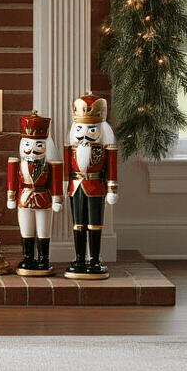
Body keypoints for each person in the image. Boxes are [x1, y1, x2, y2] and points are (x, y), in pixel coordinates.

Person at [63, 92, 118, 279]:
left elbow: (111, 167)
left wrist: (112, 188)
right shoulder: (70, 147)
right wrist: (63, 185)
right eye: (80, 129)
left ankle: (94, 259)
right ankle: (79, 259)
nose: (84, 134)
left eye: (91, 130)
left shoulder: (105, 148)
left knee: (95, 225)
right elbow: (65, 169)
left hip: (95, 186)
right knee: (78, 224)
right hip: (76, 186)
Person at [6, 112, 62, 275]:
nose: (33, 149)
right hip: (24, 200)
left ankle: (44, 259)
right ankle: (28, 257)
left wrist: (57, 199)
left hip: (44, 199)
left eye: (39, 145)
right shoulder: (17, 164)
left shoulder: (50, 165)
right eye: (28, 145)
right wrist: (11, 196)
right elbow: (13, 181)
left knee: (44, 230)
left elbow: (55, 182)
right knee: (26, 229)